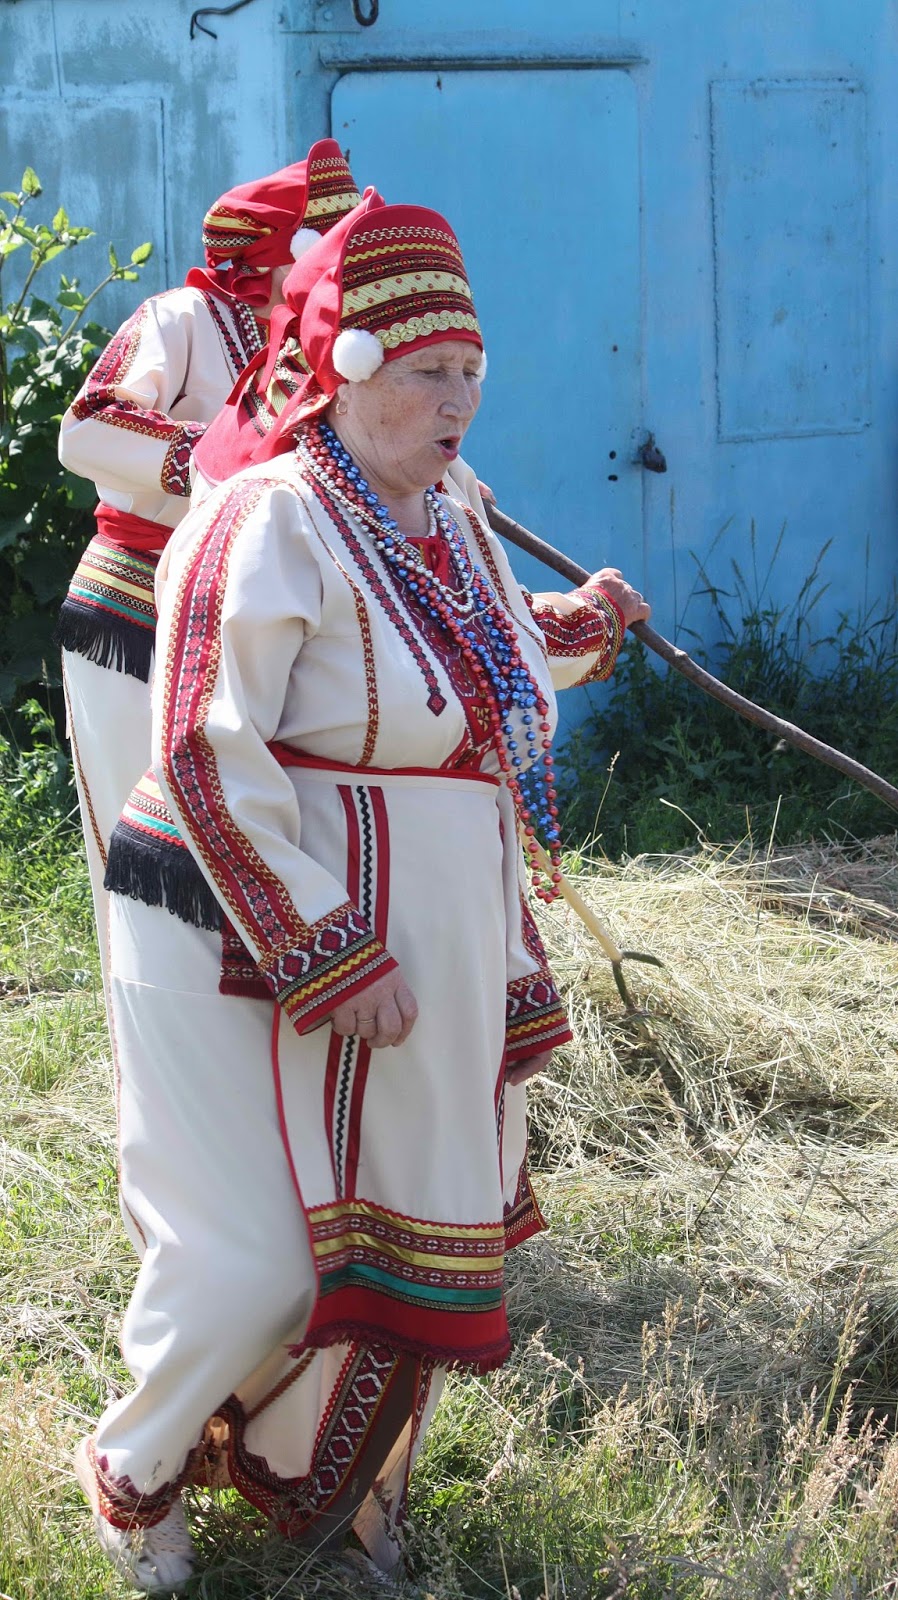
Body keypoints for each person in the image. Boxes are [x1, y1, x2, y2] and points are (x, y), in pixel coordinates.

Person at [75, 194, 651, 1593]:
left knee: (413, 1238)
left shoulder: (445, 514)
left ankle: (353, 1516)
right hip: (238, 934)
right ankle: (132, 1473)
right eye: (424, 373)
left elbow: (479, 668)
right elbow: (204, 752)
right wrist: (325, 950)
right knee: (255, 1258)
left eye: (469, 375)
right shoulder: (263, 515)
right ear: (343, 367)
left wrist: (580, 627)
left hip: (432, 947)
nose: (454, 402)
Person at [56, 140, 362, 997]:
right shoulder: (179, 321)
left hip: (258, 615)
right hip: (135, 609)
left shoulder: (324, 346)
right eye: (328, 244)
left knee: (252, 817)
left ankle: (242, 1025)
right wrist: (226, 464)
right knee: (136, 829)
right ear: (281, 250)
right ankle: (143, 1039)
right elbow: (87, 430)